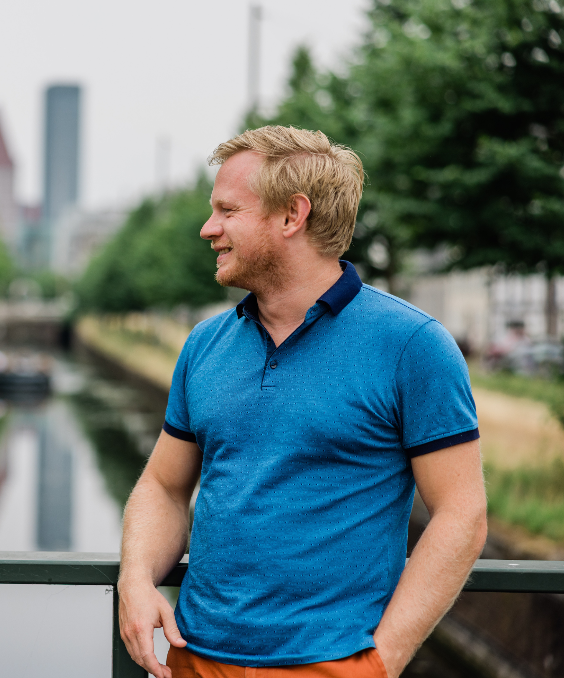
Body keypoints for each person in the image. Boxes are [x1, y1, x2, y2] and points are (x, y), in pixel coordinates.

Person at [117, 126, 487, 678]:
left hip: (328, 666)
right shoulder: (203, 345)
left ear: (292, 216)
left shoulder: (413, 346)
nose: (207, 228)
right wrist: (137, 578)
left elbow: (463, 514)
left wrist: (379, 663)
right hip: (193, 661)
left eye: (227, 210)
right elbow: (165, 486)